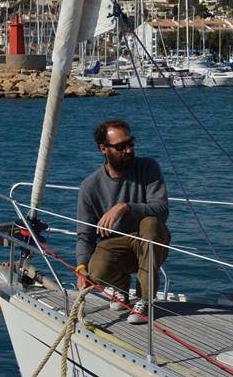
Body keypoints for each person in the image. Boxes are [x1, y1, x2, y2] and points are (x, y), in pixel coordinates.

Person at [75, 119, 170, 325]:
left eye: (130, 143)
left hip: (151, 240)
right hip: (120, 246)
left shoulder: (148, 167)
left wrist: (124, 207)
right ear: (103, 149)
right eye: (120, 146)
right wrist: (81, 267)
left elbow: (162, 210)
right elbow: (85, 234)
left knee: (151, 223)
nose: (128, 150)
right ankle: (120, 287)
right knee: (96, 271)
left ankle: (145, 299)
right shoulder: (90, 187)